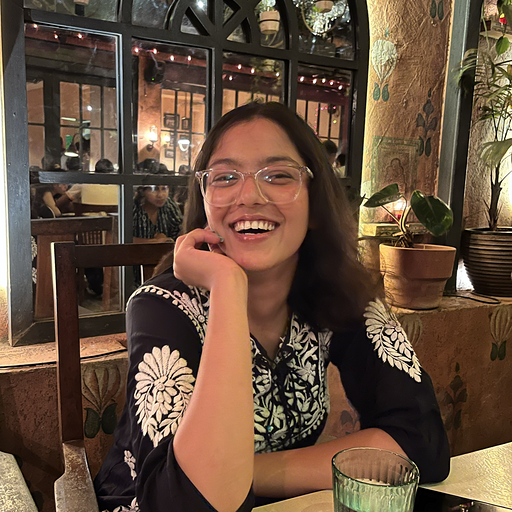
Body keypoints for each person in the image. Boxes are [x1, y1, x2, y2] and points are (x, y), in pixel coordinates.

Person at [94, 102, 450, 511]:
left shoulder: (339, 295)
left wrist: (243, 473)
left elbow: (421, 445)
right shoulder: (162, 307)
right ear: (205, 201)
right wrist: (227, 286)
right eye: (225, 177)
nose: (249, 195)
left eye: (278, 175)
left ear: (315, 203)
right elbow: (182, 503)